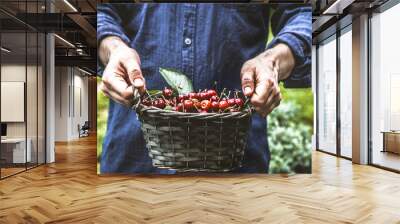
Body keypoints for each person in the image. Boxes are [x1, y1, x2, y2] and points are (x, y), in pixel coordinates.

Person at [98, 4, 311, 174]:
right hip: (133, 153)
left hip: (235, 155)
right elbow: (102, 11)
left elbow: (302, 12)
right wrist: (112, 48)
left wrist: (272, 60)